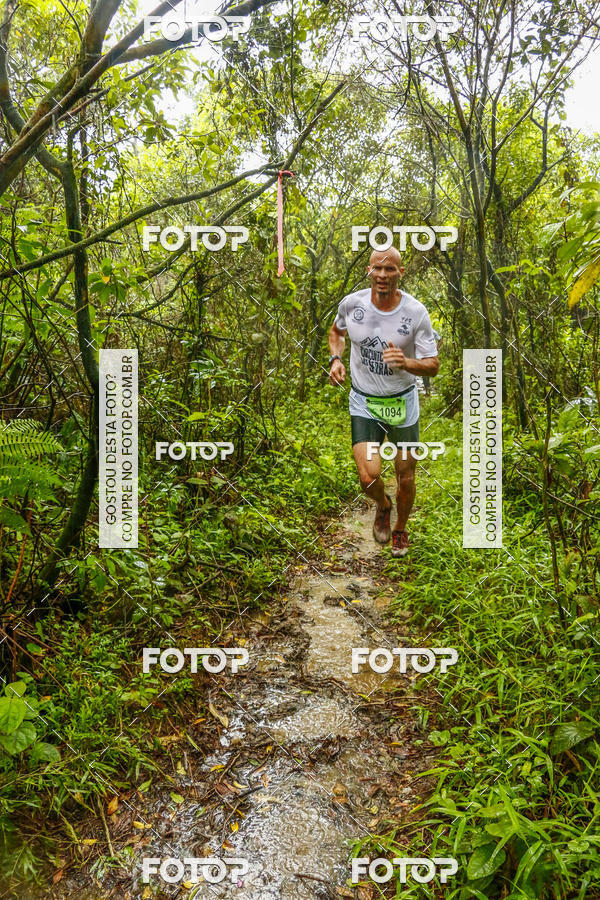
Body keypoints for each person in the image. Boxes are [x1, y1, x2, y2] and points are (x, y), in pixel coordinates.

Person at [328, 247, 439, 557]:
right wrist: (336, 359)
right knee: (368, 475)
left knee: (405, 474)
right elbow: (336, 332)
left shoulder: (415, 312)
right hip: (364, 401)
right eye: (378, 268)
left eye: (390, 269)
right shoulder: (352, 305)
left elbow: (432, 364)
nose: (383, 275)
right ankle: (383, 505)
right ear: (368, 270)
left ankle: (400, 530)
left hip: (402, 401)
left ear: (400, 273)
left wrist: (405, 362)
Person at [422, 328, 442, 396]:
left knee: (425, 372)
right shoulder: (425, 331)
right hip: (425, 354)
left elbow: (440, 340)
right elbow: (440, 340)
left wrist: (436, 349)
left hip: (428, 354)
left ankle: (427, 390)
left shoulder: (432, 331)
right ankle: (427, 390)